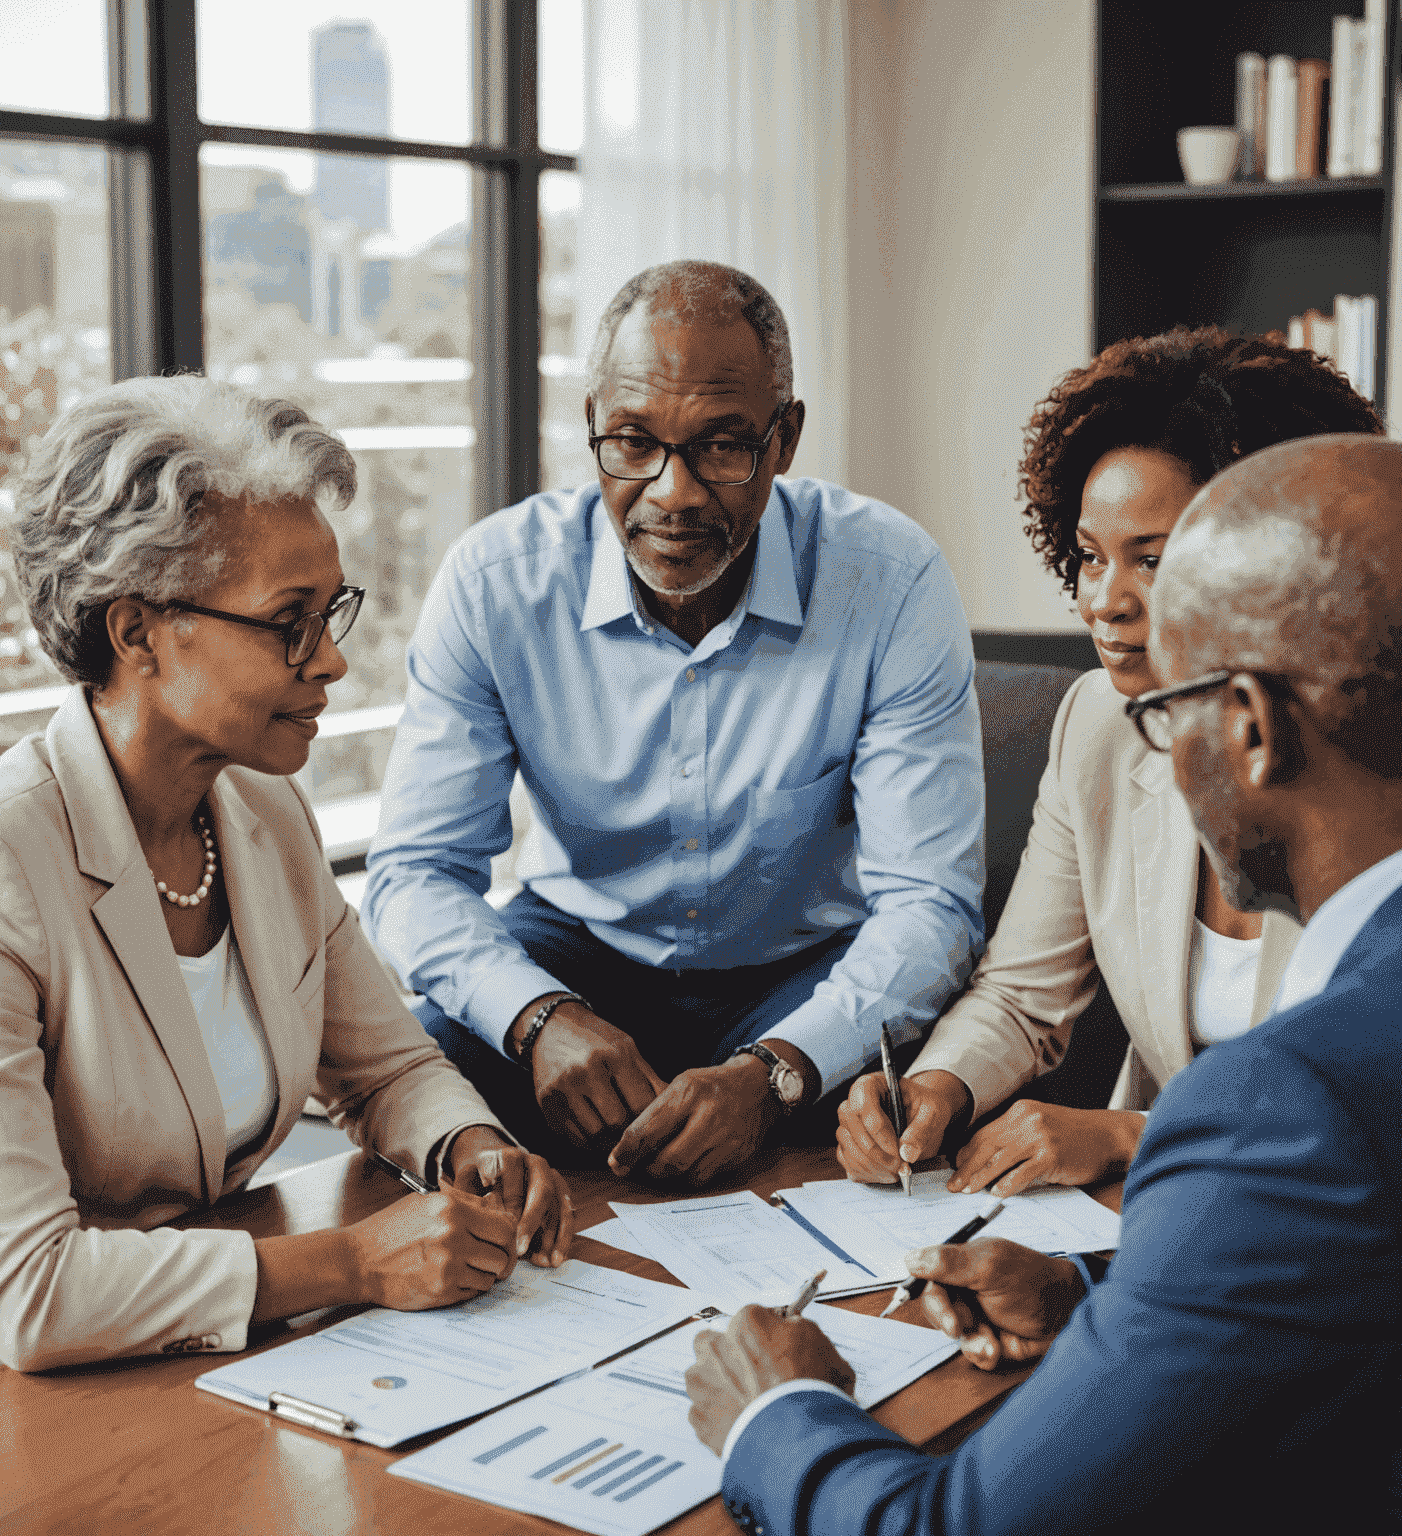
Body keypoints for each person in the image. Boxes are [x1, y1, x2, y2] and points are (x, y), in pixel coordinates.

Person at [684, 434, 1402, 1534]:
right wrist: (1098, 1303)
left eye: (1172, 711)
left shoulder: (1291, 1105)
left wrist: (775, 1411)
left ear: (1250, 727)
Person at [0, 378, 573, 1385]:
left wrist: (465, 1147)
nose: (331, 663)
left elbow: (387, 1071)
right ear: (137, 631)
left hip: (209, 1368)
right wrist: (353, 1262)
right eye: (291, 621)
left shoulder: (262, 811)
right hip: (8, 1400)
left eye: (334, 614)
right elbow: (30, 1291)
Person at [363, 260, 984, 1185]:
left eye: (722, 446)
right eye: (633, 442)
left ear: (785, 440)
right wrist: (538, 1016)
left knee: (908, 1099)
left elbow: (929, 903)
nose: (673, 492)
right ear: (591, 430)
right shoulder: (497, 583)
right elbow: (414, 874)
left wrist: (778, 1072)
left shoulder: (888, 579)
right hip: (575, 953)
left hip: (799, 967)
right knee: (414, 1078)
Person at [836, 328, 1383, 1198]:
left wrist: (1131, 1132)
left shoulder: (1373, 772)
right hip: (1146, 1217)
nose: (1103, 600)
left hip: (1340, 1219)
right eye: (1089, 556)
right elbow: (1021, 996)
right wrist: (937, 1086)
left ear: (1271, 552)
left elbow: (1390, 1100)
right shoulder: (1098, 724)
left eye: (1152, 560)